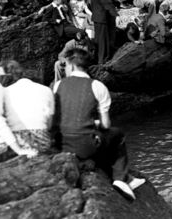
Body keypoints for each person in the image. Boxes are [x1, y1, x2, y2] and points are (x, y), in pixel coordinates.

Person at [53, 49, 145, 200]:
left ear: (73, 66)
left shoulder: (58, 85)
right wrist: (94, 123)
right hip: (85, 146)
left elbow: (60, 117)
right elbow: (106, 125)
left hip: (62, 143)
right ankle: (120, 178)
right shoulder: (97, 86)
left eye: (66, 66)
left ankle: (124, 178)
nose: (65, 69)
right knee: (117, 135)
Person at [0, 60, 54, 153]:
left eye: (0, 76)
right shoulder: (46, 90)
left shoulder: (5, 92)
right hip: (42, 139)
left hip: (15, 141)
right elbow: (49, 124)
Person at [90, 0, 118, 64]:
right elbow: (106, 4)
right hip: (101, 19)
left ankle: (99, 59)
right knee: (102, 40)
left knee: (99, 40)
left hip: (97, 18)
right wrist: (116, 15)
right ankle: (102, 60)